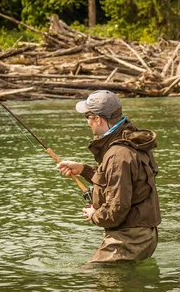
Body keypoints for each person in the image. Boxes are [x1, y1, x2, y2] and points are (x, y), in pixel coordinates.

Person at [57, 90, 161, 263]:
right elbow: (118, 179)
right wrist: (83, 170)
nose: (87, 123)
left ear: (98, 119)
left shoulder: (117, 154)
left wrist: (94, 215)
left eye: (87, 117)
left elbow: (116, 210)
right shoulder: (129, 140)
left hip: (129, 239)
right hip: (143, 235)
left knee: (90, 278)